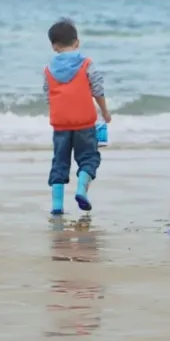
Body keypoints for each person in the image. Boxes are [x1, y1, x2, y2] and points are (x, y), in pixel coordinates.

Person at [43, 18, 112, 215]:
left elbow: (48, 95)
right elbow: (97, 90)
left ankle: (57, 205)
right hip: (84, 122)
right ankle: (81, 190)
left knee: (59, 162)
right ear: (77, 43)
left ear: (54, 46)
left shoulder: (48, 70)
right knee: (89, 157)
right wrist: (105, 112)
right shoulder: (86, 64)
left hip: (60, 124)